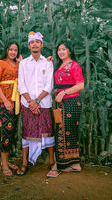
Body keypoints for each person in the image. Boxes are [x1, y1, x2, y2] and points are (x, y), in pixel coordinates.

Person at [17, 31, 55, 176]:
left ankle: (52, 161)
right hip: (27, 105)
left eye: (37, 42)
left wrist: (37, 101)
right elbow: (22, 85)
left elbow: (49, 85)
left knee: (47, 132)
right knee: (27, 133)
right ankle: (25, 163)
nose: (35, 44)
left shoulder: (48, 63)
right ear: (28, 46)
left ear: (41, 45)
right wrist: (30, 103)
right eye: (32, 42)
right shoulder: (23, 64)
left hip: (44, 104)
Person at [47, 40, 84, 178]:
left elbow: (81, 85)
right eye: (59, 50)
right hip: (61, 103)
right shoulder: (59, 65)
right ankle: (74, 164)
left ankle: (59, 165)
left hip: (71, 102)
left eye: (64, 49)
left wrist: (64, 92)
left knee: (64, 132)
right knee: (65, 132)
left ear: (70, 50)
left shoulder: (74, 65)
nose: (61, 52)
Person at [0, 40, 22, 177]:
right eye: (10, 49)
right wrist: (5, 101)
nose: (13, 52)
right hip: (5, 101)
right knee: (6, 130)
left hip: (16, 101)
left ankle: (7, 160)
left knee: (12, 131)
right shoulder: (0, 63)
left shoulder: (18, 65)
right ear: (6, 50)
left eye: (15, 50)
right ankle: (3, 163)